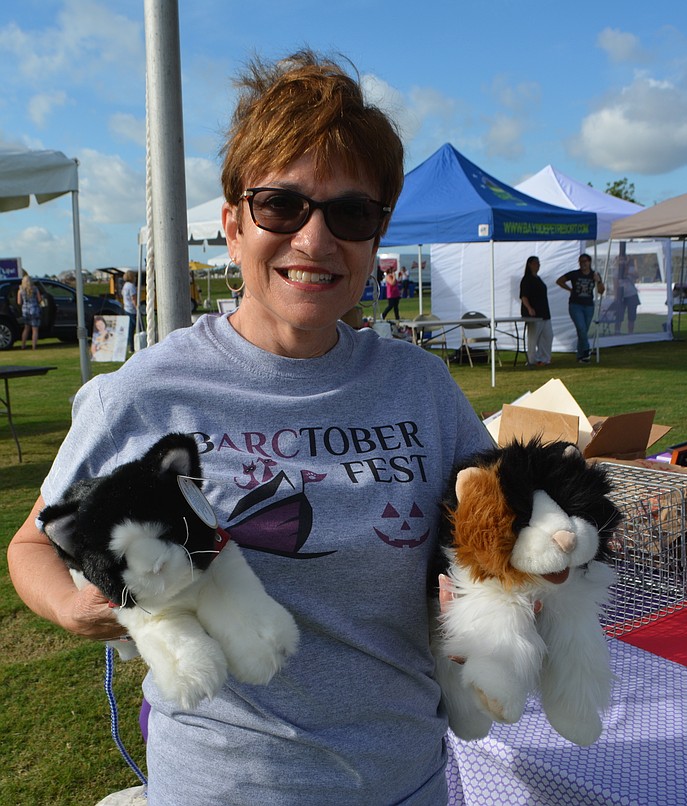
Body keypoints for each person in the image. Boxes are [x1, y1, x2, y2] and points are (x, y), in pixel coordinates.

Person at [7, 50, 492, 806]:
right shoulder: (147, 391)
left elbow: (492, 520)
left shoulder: (420, 386)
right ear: (234, 226)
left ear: (376, 235)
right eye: (282, 206)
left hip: (407, 779)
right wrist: (73, 605)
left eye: (351, 213)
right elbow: (34, 543)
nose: (314, 239)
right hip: (229, 788)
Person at [556, 253, 604, 363]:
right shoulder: (574, 274)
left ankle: (580, 356)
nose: (583, 264)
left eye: (585, 261)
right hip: (575, 305)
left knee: (582, 331)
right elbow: (559, 280)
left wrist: (598, 281)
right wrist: (569, 289)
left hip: (589, 306)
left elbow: (601, 291)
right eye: (581, 261)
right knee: (581, 328)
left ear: (589, 262)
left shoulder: (594, 275)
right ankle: (586, 351)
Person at [518, 255, 552, 366]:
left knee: (547, 336)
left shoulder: (538, 278)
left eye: (539, 263)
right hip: (534, 314)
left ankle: (544, 358)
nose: (538, 265)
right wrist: (529, 308)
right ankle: (531, 359)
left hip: (544, 312)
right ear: (530, 265)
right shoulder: (526, 279)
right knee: (533, 338)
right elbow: (524, 296)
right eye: (535, 263)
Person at [614, 257, 640, 335]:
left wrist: (627, 272)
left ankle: (630, 333)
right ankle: (617, 332)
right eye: (620, 260)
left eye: (624, 260)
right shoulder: (616, 271)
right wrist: (616, 297)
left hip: (632, 295)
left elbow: (637, 276)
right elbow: (615, 285)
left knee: (631, 317)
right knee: (619, 316)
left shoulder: (631, 269)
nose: (622, 262)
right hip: (621, 296)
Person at [16, 272, 42, 350]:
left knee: (26, 328)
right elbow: (39, 299)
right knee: (35, 329)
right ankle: (34, 347)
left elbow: (19, 302)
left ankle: (23, 345)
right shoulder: (35, 289)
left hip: (25, 310)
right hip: (34, 309)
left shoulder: (20, 290)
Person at [121, 270, 138, 353]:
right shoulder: (131, 286)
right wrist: (137, 307)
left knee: (130, 329)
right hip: (132, 309)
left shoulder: (125, 286)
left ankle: (131, 346)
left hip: (126, 308)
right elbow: (133, 298)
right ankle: (134, 346)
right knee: (135, 327)